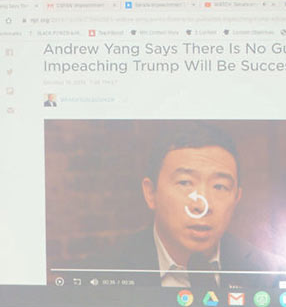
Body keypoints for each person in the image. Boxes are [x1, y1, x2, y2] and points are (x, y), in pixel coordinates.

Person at [89, 122, 270, 290]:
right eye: (185, 183)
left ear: (236, 198)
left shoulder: (270, 275)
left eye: (219, 186)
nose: (202, 205)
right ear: (151, 193)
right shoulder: (99, 276)